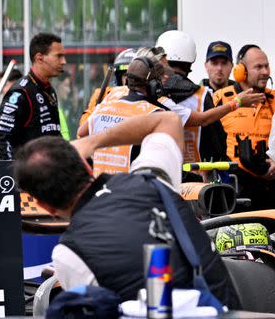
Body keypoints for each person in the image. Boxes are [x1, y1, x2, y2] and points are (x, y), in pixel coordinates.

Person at [14, 112, 240, 307]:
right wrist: (92, 142)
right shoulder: (151, 181)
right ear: (85, 164)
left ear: (46, 207)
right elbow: (168, 120)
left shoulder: (67, 254)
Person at [213, 44, 275, 209]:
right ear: (241, 71)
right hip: (236, 188)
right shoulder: (220, 100)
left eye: (266, 66)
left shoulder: (274, 99)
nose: (265, 72)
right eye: (258, 67)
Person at [0, 33, 65, 160]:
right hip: (26, 175)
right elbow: (1, 139)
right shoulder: (20, 92)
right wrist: (9, 175)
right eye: (58, 56)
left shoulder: (49, 89)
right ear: (39, 58)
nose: (64, 61)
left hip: (49, 173)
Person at [155, 31, 227, 163]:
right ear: (190, 62)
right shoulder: (202, 95)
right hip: (197, 178)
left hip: (159, 173)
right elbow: (218, 143)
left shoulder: (151, 93)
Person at [78, 48, 136, 127]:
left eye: (133, 77)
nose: (128, 80)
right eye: (125, 75)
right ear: (119, 78)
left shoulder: (148, 100)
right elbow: (84, 125)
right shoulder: (103, 95)